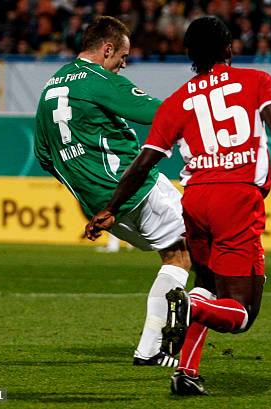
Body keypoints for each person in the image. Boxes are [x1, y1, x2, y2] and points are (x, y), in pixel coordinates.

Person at [85, 16, 271, 395]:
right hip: (237, 199)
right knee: (241, 314)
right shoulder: (257, 81)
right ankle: (189, 309)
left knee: (206, 283)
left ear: (189, 55)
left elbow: (143, 164)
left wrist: (110, 209)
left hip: (197, 201)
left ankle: (186, 373)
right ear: (228, 48)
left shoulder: (176, 101)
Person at [34, 16, 190, 368]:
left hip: (98, 203)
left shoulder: (51, 85)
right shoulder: (97, 80)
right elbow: (160, 112)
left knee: (176, 254)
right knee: (197, 248)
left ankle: (153, 348)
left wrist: (85, 186)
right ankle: (174, 337)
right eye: (122, 55)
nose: (124, 63)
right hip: (133, 186)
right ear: (106, 49)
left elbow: (44, 156)